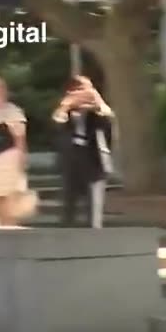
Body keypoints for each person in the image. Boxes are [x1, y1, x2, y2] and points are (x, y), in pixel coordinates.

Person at [52, 76, 114, 228]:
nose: (86, 93)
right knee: (68, 209)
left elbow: (109, 118)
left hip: (95, 160)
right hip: (71, 161)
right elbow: (56, 123)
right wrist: (66, 105)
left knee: (94, 211)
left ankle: (95, 242)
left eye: (89, 89)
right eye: (81, 90)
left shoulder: (98, 112)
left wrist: (97, 101)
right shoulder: (65, 111)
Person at [0, 77, 30, 225]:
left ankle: (11, 227)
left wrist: (22, 159)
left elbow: (20, 138)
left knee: (11, 197)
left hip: (9, 158)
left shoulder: (13, 110)